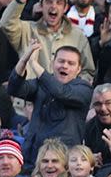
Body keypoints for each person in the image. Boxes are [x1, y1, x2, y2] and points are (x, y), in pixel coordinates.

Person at [7, 40, 93, 168]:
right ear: (52, 63)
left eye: (71, 63)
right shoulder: (41, 84)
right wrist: (25, 60)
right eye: (61, 61)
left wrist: (34, 64)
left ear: (78, 69)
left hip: (62, 162)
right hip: (32, 159)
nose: (65, 66)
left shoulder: (84, 89)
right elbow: (15, 89)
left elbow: (61, 92)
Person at [0, 0, 95, 81]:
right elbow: (6, 23)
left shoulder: (78, 35)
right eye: (49, 2)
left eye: (59, 3)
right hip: (30, 93)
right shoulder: (27, 29)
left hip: (65, 94)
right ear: (41, 6)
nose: (53, 6)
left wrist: (72, 90)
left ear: (65, 8)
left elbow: (88, 71)